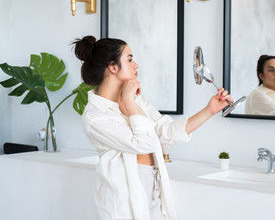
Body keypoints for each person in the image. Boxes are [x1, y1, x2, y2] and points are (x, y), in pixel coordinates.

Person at [72, 36, 232, 220]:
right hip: (121, 201)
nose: (136, 65)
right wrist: (129, 102)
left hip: (154, 189)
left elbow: (167, 132)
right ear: (113, 67)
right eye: (130, 59)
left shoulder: (136, 99)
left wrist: (209, 110)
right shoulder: (95, 116)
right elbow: (144, 143)